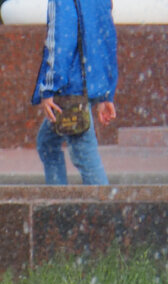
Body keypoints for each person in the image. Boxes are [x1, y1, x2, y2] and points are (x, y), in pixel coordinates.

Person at [32, 0, 118, 186]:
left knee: (85, 155)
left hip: (70, 88)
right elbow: (107, 39)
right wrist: (105, 93)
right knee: (47, 143)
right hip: (88, 83)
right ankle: (58, 200)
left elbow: (60, 42)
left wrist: (49, 88)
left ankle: (105, 210)